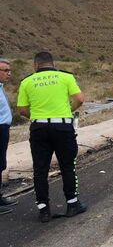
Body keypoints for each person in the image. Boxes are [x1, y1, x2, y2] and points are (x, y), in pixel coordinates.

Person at [16, 52, 87, 222]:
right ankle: (72, 204)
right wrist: (69, 111)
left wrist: (36, 117)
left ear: (35, 65)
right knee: (67, 165)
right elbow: (79, 99)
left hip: (39, 127)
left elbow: (22, 109)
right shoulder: (65, 77)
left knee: (40, 169)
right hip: (62, 126)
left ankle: (44, 210)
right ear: (52, 63)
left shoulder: (26, 81)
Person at [0, 59, 17, 215]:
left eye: (9, 70)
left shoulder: (1, 87)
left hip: (3, 129)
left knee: (1, 164)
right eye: (5, 71)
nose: (9, 74)